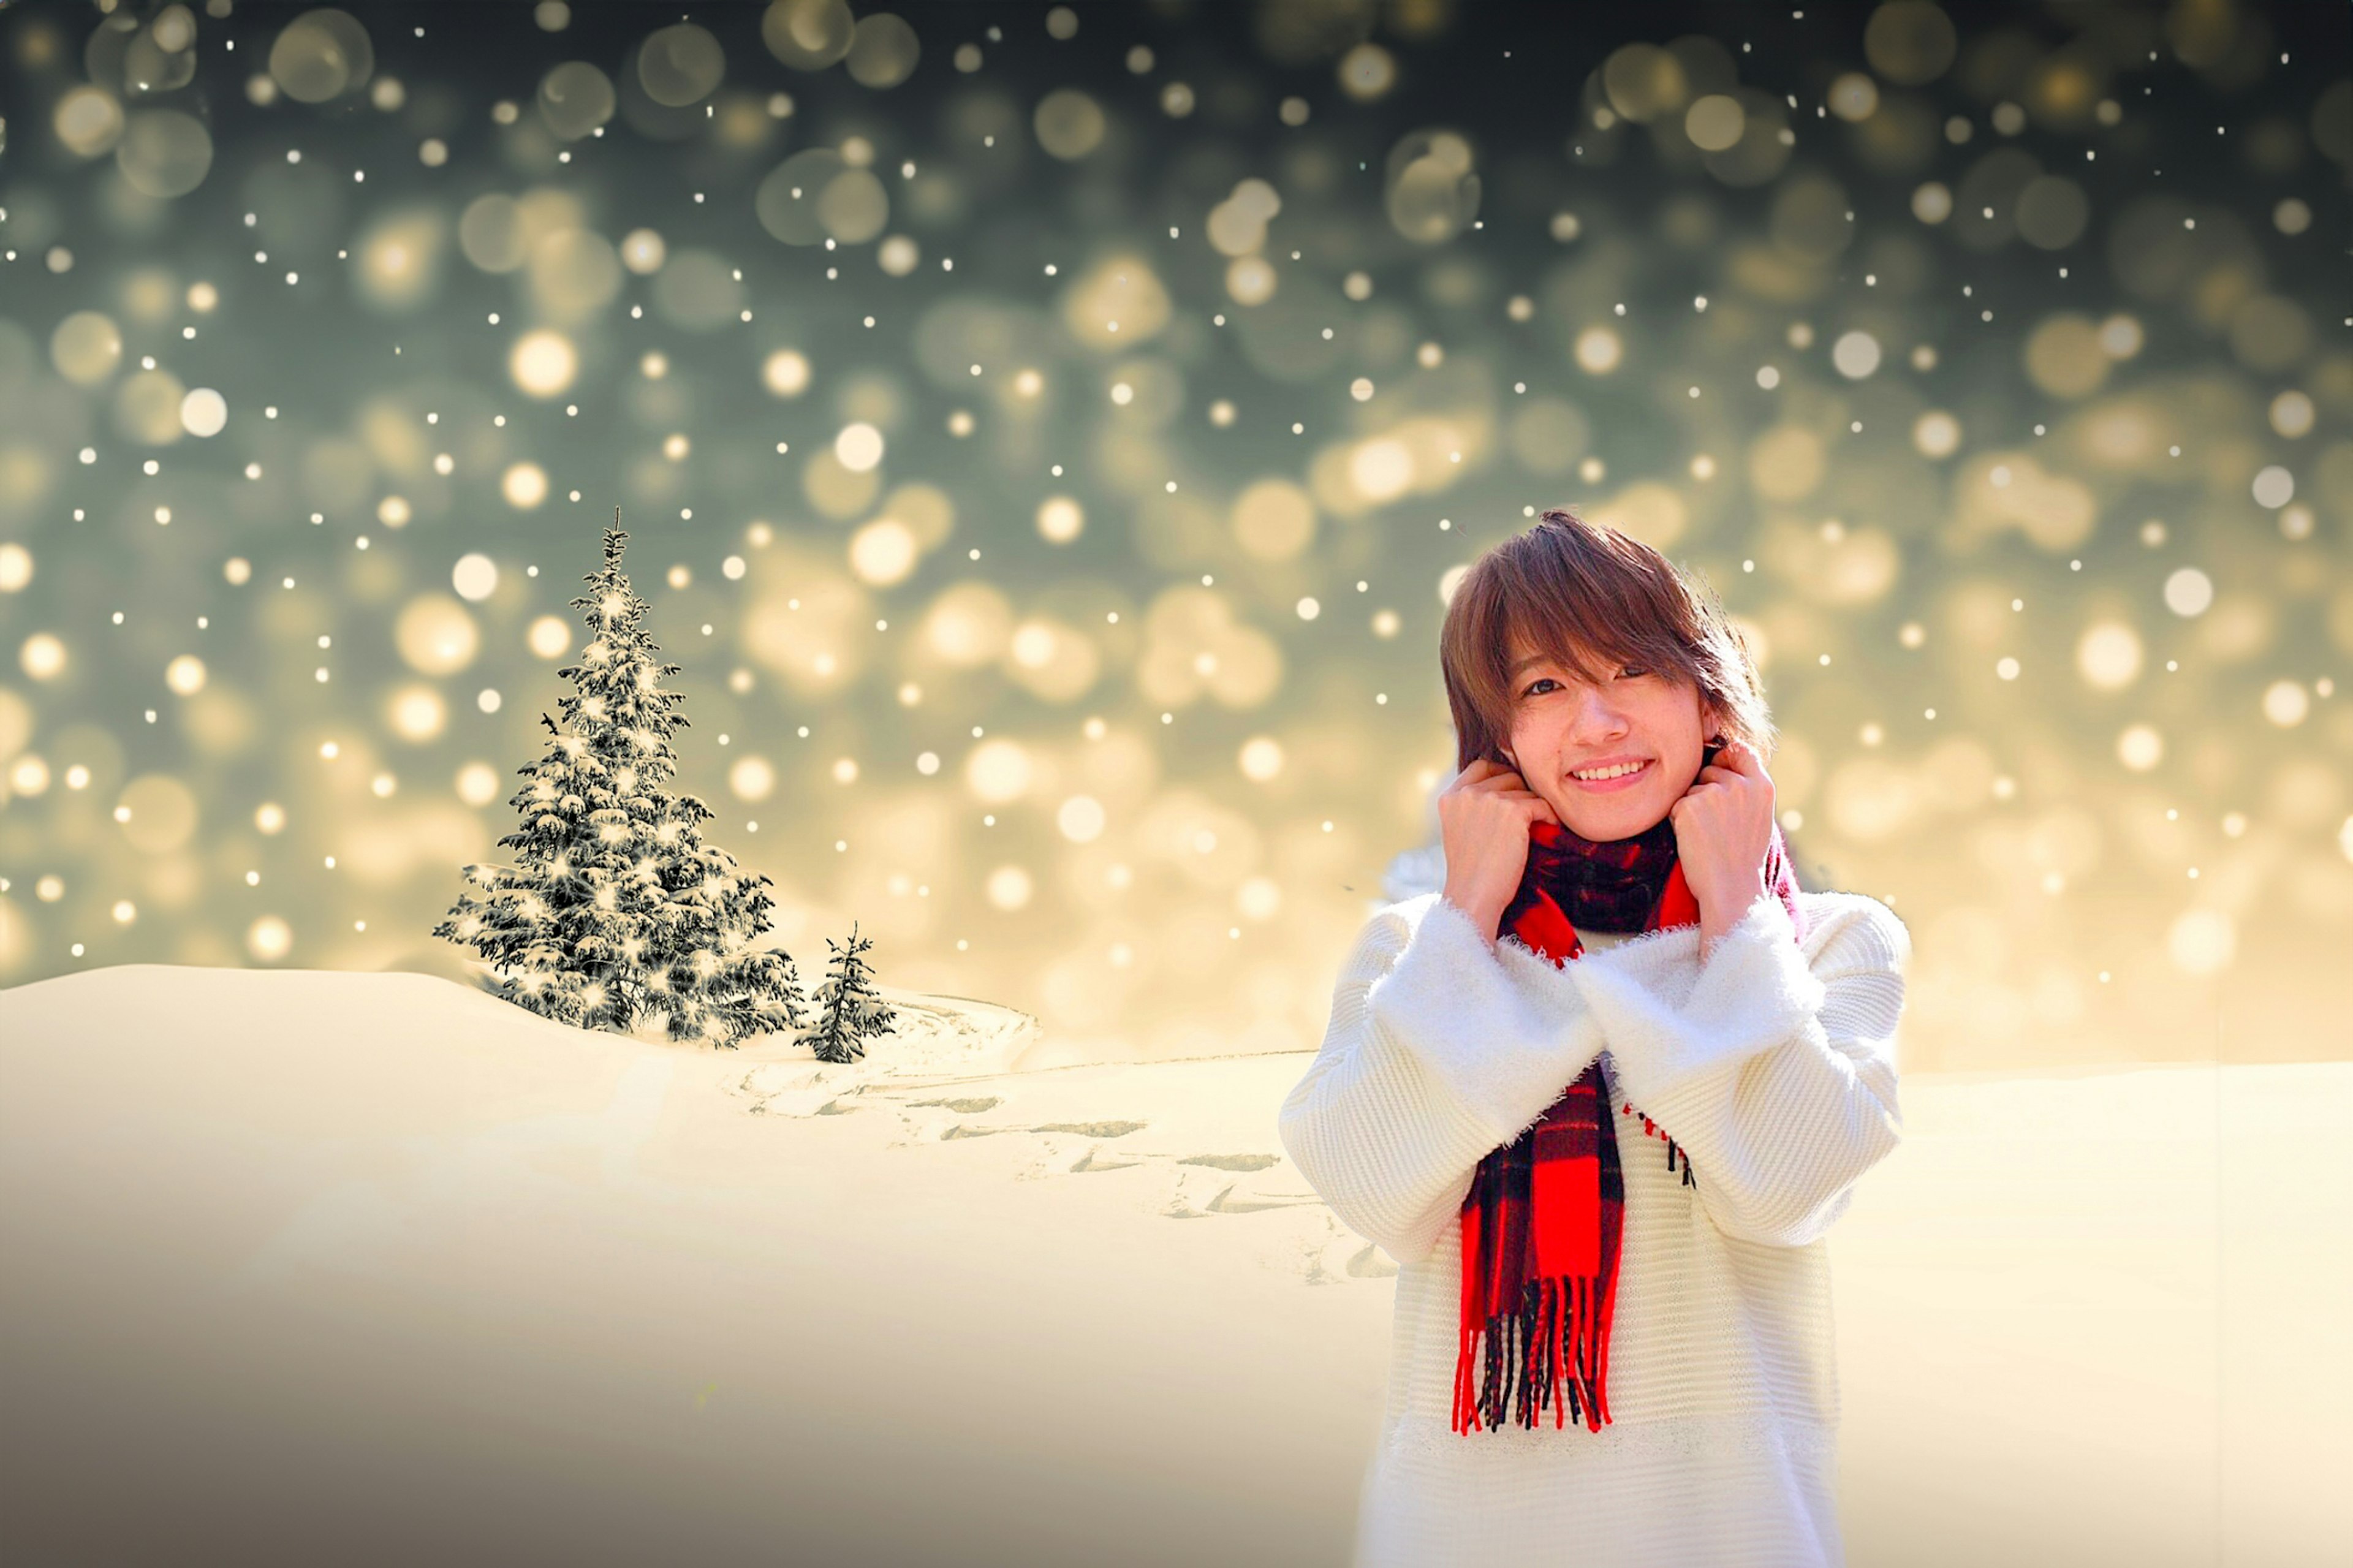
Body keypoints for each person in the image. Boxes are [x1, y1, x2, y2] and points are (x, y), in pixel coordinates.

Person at [1278, 509, 1909, 1567]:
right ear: (1497, 741)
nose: (1598, 722)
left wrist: (1735, 923)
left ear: (1708, 699)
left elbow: (1788, 1188)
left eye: (1633, 671)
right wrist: (1468, 916)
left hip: (1733, 1528)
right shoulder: (1422, 950)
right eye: (1543, 687)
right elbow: (1371, 1180)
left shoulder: (1825, 942)